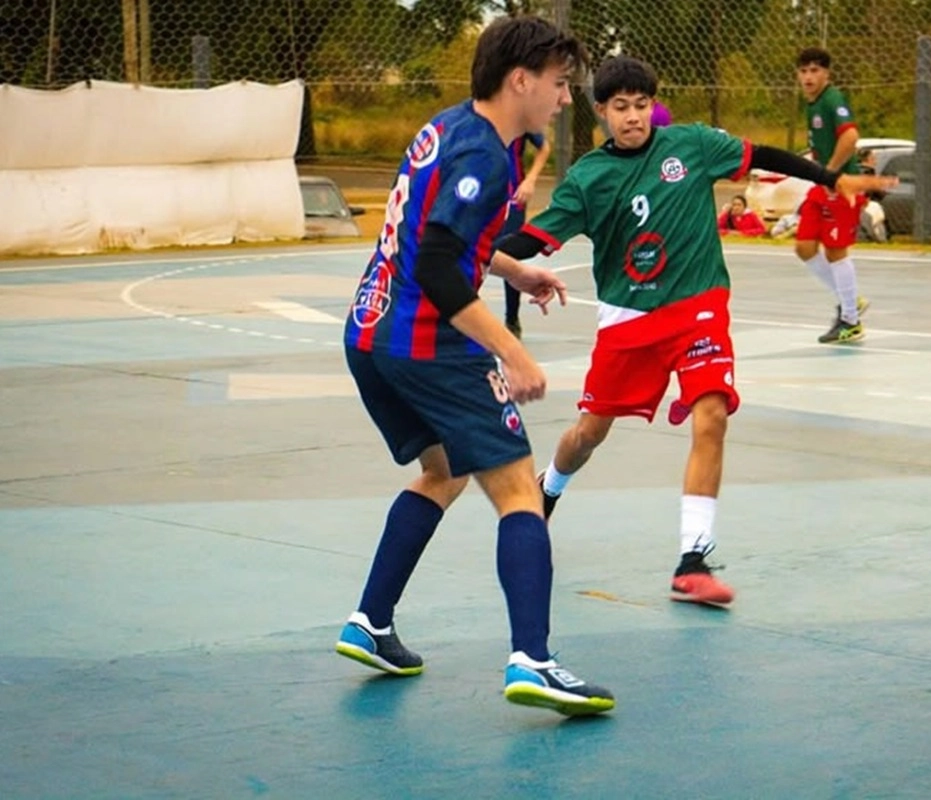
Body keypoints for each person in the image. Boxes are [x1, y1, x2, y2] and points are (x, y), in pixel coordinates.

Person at [491, 56, 894, 606]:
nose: (632, 117)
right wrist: (469, 257)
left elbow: (763, 156)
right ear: (602, 112)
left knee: (712, 415)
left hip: (699, 308)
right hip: (628, 320)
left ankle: (693, 560)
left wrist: (830, 176)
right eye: (619, 108)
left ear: (651, 106)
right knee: (589, 433)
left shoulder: (693, 145)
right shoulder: (588, 179)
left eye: (640, 106)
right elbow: (534, 241)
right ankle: (549, 490)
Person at [335, 16, 614, 718]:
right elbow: (434, 264)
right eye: (557, 83)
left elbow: (434, 233)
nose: (563, 98)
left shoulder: (449, 128)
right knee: (520, 489)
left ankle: (370, 622)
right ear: (520, 79)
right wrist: (510, 348)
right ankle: (535, 661)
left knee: (442, 471)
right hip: (427, 344)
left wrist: (513, 269)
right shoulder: (489, 158)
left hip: (369, 334)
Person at [793, 46, 871, 344]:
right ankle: (849, 298)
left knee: (835, 251)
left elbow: (850, 137)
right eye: (803, 71)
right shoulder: (812, 104)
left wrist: (831, 172)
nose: (808, 77)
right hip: (823, 185)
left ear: (827, 73)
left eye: (815, 71)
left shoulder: (832, 99)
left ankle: (851, 321)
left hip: (841, 184)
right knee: (804, 247)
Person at [502, 134, 553, 338]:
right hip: (483, 192)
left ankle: (512, 318)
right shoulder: (475, 118)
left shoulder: (519, 115)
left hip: (514, 194)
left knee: (509, 253)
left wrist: (530, 180)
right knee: (471, 252)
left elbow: (544, 147)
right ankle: (464, 318)